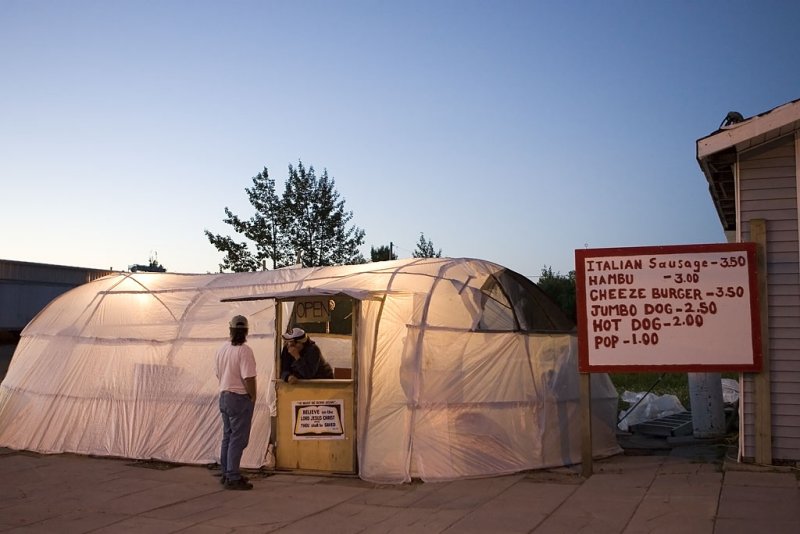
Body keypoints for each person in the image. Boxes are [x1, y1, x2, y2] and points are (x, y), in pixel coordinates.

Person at [215, 315, 257, 490]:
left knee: (228, 436)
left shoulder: (223, 349)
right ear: (246, 331)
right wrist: (252, 395)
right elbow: (248, 377)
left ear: (230, 329)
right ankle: (233, 476)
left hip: (224, 396)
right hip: (239, 397)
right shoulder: (244, 351)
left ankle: (226, 472)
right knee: (238, 439)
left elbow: (218, 373)